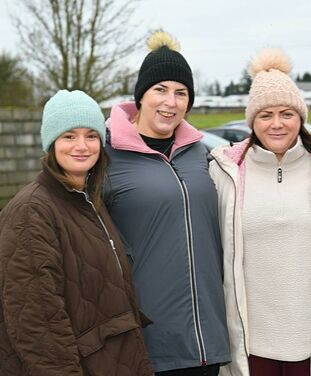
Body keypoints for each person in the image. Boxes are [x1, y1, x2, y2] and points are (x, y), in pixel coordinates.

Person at [209, 47, 311, 376]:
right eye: (266, 115)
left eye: (287, 114)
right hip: (250, 344)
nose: (277, 124)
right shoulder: (225, 172)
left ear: (301, 118)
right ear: (252, 121)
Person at [103, 30, 230, 375]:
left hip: (206, 343)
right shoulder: (106, 156)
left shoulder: (199, 154)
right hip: (146, 343)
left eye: (181, 92)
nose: (170, 102)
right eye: (160, 90)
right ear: (141, 96)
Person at [0, 90, 153, 375]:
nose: (82, 146)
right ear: (51, 143)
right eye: (69, 136)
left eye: (91, 136)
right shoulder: (33, 211)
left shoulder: (87, 200)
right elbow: (37, 323)